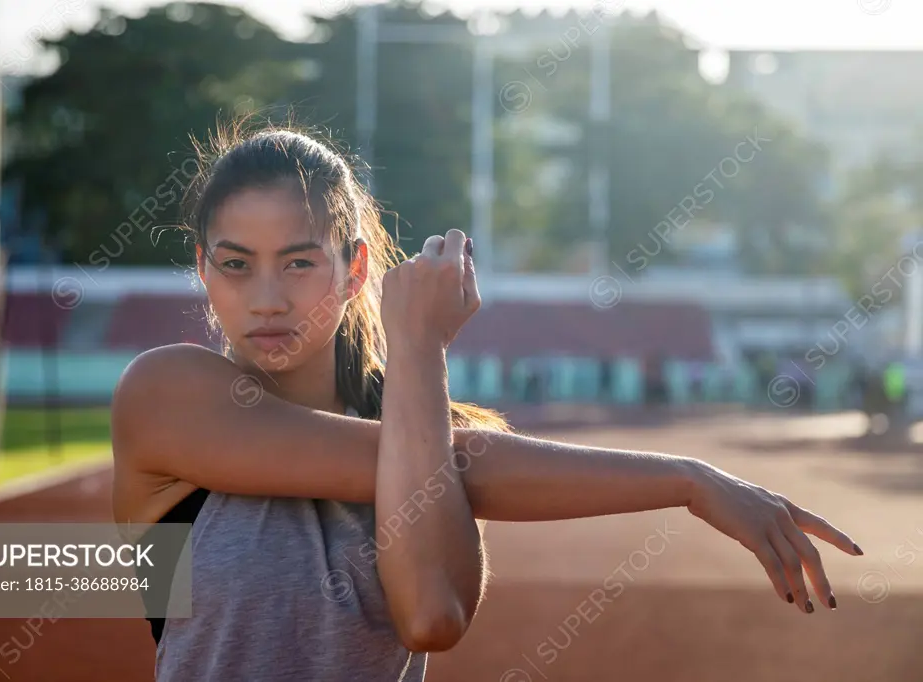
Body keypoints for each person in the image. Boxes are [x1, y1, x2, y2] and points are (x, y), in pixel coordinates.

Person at [111, 123, 864, 682]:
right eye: (236, 265)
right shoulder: (165, 394)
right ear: (202, 270)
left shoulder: (427, 444)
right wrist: (689, 481)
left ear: (355, 268)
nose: (268, 298)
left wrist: (415, 361)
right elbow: (456, 459)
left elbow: (433, 617)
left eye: (300, 262)